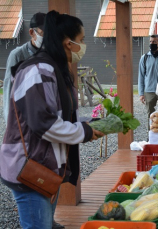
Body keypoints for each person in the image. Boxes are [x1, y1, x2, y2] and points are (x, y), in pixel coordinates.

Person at [0, 10, 104, 229]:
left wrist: (87, 124)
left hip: (45, 168)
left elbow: (58, 116)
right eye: (81, 40)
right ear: (68, 43)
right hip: (28, 170)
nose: (83, 46)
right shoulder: (39, 70)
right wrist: (83, 132)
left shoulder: (53, 69)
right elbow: (44, 123)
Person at [3, 12, 46, 126]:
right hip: (24, 117)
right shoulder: (17, 55)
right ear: (32, 32)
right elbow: (9, 89)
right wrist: (11, 123)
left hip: (46, 118)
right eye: (43, 33)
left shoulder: (51, 54)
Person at [138, 35, 158, 128]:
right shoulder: (144, 58)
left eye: (154, 42)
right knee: (150, 115)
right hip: (149, 91)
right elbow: (141, 76)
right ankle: (151, 136)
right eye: (150, 42)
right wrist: (141, 93)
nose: (152, 44)